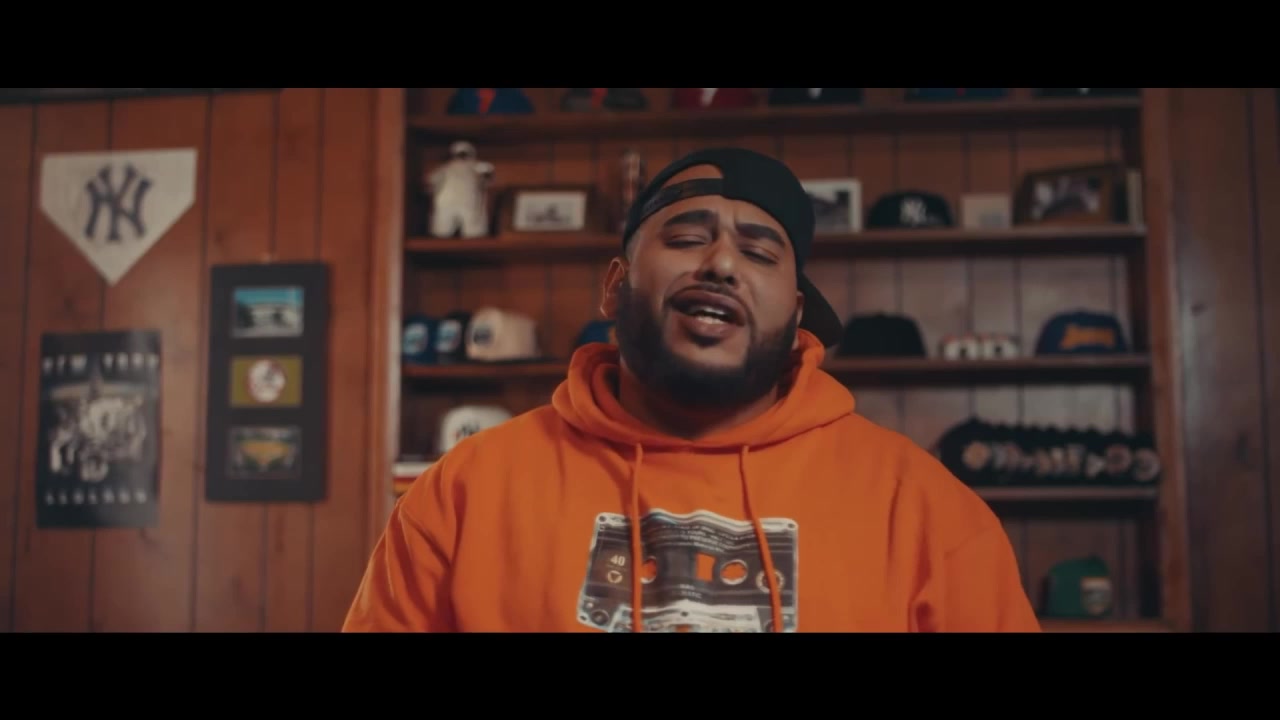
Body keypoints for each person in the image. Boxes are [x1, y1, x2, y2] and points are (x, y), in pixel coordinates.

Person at [343, 147, 1042, 633]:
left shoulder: (927, 511)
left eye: (759, 252)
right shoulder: (464, 492)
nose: (721, 264)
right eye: (685, 237)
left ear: (796, 314)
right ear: (615, 286)